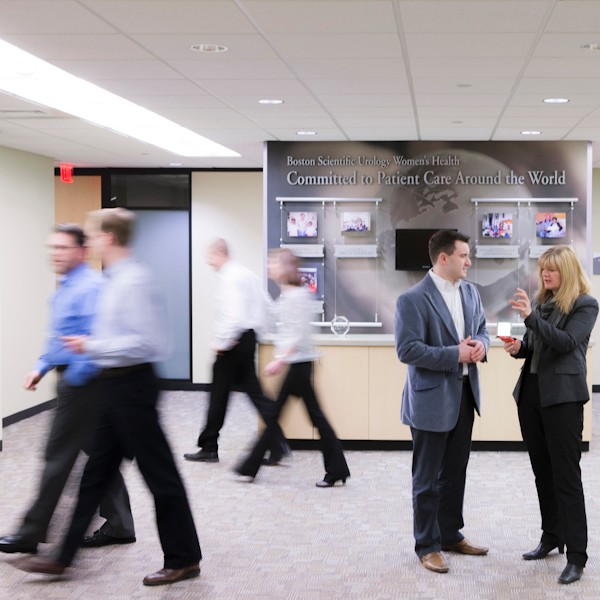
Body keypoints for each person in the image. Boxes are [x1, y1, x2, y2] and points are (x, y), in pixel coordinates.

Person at [16, 208, 201, 587]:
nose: (90, 242)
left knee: (160, 476)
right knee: (94, 476)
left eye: (94, 235)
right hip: (112, 385)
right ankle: (62, 558)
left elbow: (149, 344)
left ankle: (183, 559)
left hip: (134, 387)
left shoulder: (134, 281)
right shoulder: (113, 279)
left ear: (109, 238)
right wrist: (91, 347)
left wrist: (91, 345)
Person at [0, 224, 135, 555]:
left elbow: (97, 340)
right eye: (53, 248)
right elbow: (59, 337)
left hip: (84, 382)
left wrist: (74, 380)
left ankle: (30, 533)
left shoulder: (90, 287)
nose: (55, 254)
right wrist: (41, 366)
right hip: (74, 380)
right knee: (98, 455)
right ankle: (120, 524)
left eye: (63, 248)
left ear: (82, 251)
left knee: (57, 457)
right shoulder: (65, 287)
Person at [395, 230, 489, 574]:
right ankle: (427, 545)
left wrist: (481, 346)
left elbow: (482, 330)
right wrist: (455, 354)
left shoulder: (471, 292)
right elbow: (407, 350)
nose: (469, 262)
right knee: (428, 478)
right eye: (464, 255)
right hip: (430, 400)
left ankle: (449, 534)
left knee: (455, 472)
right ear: (443, 258)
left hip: (465, 395)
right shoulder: (412, 299)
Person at [503, 246, 598, 585]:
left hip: (563, 400)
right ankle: (551, 536)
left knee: (566, 477)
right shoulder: (543, 302)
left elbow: (565, 342)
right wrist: (519, 347)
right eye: (543, 268)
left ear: (567, 271)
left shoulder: (585, 304)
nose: (545, 273)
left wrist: (531, 318)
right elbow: (535, 346)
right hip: (531, 396)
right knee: (542, 473)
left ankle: (577, 556)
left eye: (552, 269)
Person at [235, 248, 350, 487]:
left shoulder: (297, 296)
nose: (270, 266)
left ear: (285, 266)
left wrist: (280, 360)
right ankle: (337, 469)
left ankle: (250, 467)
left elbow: (298, 333)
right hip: (297, 365)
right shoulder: (289, 294)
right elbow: (274, 315)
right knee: (310, 418)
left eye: (273, 263)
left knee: (281, 416)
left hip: (299, 365)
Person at [184, 238, 289, 465]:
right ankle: (277, 443)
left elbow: (235, 316)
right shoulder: (247, 275)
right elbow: (268, 307)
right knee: (256, 394)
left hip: (233, 343)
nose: (209, 262)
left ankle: (209, 447)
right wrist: (260, 333)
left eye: (210, 257)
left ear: (220, 254)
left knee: (218, 395)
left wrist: (223, 342)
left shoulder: (230, 277)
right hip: (248, 340)